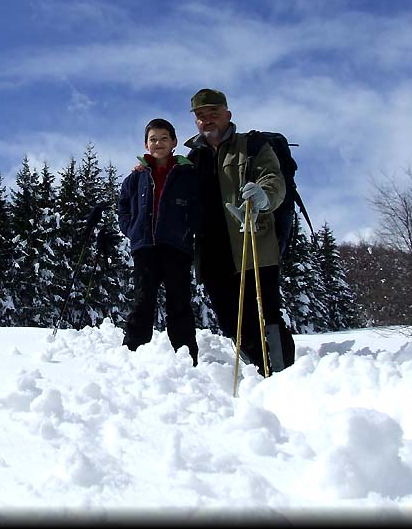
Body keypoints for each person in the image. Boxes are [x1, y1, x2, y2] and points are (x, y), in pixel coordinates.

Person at [184, 88, 293, 374]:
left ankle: (283, 376)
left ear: (228, 115)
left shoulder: (252, 146)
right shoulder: (191, 159)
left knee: (266, 316)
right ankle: (258, 370)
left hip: (253, 245)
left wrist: (263, 197)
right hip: (212, 254)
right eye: (201, 115)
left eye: (214, 113)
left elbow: (273, 177)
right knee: (231, 321)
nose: (207, 120)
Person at [117, 118, 200, 366]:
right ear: (146, 144)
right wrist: (132, 230)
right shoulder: (136, 177)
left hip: (176, 247)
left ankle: (187, 359)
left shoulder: (186, 173)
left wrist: (189, 230)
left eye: (164, 138)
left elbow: (198, 208)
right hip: (145, 248)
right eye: (153, 139)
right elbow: (123, 205)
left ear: (174, 142)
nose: (158, 143)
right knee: (143, 302)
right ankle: (131, 356)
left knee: (179, 303)